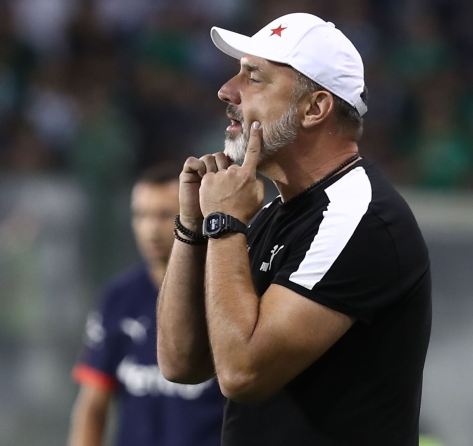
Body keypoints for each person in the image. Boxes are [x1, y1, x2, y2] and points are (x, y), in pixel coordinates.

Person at [156, 12, 431, 446]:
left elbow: (243, 373)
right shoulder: (277, 212)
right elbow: (180, 363)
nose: (227, 90)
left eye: (254, 78)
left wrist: (225, 224)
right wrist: (192, 227)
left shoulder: (360, 217)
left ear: (314, 108)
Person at [68, 165, 226, 446]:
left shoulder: (223, 294)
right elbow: (92, 404)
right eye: (140, 215)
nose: (150, 229)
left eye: (164, 215)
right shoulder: (119, 297)